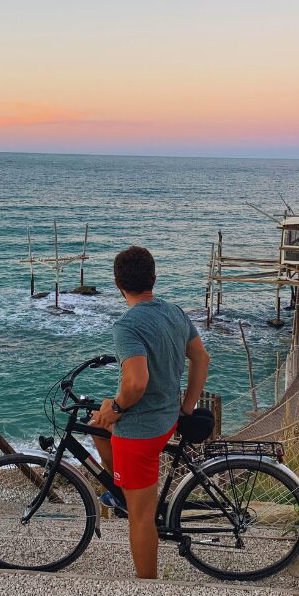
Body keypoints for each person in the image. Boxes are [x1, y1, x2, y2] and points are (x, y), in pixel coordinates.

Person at [89, 245, 210, 579]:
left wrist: (116, 407)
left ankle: (147, 586)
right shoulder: (174, 312)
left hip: (142, 432)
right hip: (168, 418)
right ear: (153, 278)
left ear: (117, 284)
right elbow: (201, 359)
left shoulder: (127, 326)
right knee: (96, 424)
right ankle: (120, 488)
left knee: (142, 518)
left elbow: (136, 383)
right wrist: (186, 406)